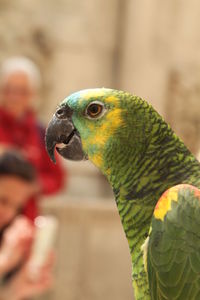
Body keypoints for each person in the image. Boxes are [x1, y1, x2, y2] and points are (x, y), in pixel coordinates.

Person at [0, 56, 65, 221]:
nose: (15, 97)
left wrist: (31, 185)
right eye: (10, 90)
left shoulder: (40, 132)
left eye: (22, 92)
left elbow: (57, 178)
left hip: (25, 218)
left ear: (32, 95)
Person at [0, 150, 53, 300]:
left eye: (17, 207)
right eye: (3, 201)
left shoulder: (8, 236)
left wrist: (16, 290)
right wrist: (3, 261)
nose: (9, 213)